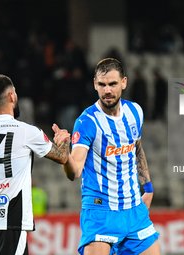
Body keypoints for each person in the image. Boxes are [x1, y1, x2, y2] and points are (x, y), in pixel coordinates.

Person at [59, 58, 160, 255]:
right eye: (102, 85)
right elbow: (75, 172)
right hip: (100, 212)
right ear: (95, 84)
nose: (107, 91)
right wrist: (64, 156)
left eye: (113, 84)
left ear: (124, 82)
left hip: (134, 210)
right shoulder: (87, 121)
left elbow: (136, 148)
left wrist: (147, 187)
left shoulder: (135, 112)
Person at [0, 74, 70, 255]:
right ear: (12, 96)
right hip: (11, 225)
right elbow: (63, 158)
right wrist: (64, 141)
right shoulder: (26, 131)